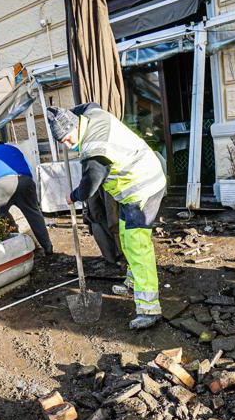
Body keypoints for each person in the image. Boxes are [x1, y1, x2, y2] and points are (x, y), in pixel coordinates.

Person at [46, 103, 166, 330]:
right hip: (135, 184)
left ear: (75, 126)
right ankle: (134, 283)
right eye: (62, 142)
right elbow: (88, 105)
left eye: (68, 139)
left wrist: (73, 196)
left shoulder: (94, 151)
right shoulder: (92, 114)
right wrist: (64, 115)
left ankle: (149, 309)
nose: (68, 144)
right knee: (124, 233)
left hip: (142, 187)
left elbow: (89, 187)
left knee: (137, 245)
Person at [0, 139, 53, 255]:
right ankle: (48, 247)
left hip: (1, 184)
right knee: (34, 215)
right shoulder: (14, 149)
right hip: (25, 181)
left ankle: (0, 251)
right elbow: (26, 167)